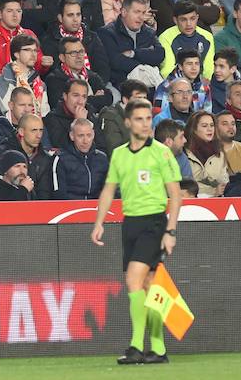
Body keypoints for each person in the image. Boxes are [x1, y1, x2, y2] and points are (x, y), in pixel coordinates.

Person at [90, 98, 181, 365]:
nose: (145, 123)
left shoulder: (161, 153)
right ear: (128, 123)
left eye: (148, 119)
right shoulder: (119, 154)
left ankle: (135, 346)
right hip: (130, 223)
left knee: (133, 280)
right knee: (148, 285)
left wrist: (171, 230)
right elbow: (109, 189)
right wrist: (99, 222)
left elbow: (175, 195)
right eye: (139, 119)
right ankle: (158, 349)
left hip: (153, 222)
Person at [51, 117, 108, 200]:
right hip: (70, 209)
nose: (85, 141)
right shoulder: (61, 159)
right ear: (72, 136)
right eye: (81, 136)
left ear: (93, 135)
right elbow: (59, 194)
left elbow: (110, 190)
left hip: (97, 208)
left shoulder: (102, 159)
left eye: (89, 135)